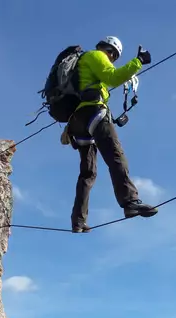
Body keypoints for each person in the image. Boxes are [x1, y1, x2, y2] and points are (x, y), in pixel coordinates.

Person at [66, 36, 156, 233]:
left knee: (88, 173)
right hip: (93, 114)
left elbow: (107, 80)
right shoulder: (96, 55)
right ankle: (130, 202)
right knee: (116, 156)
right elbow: (113, 76)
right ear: (110, 50)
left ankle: (78, 221)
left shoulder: (83, 66)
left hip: (78, 122)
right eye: (113, 56)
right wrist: (138, 61)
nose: (112, 59)